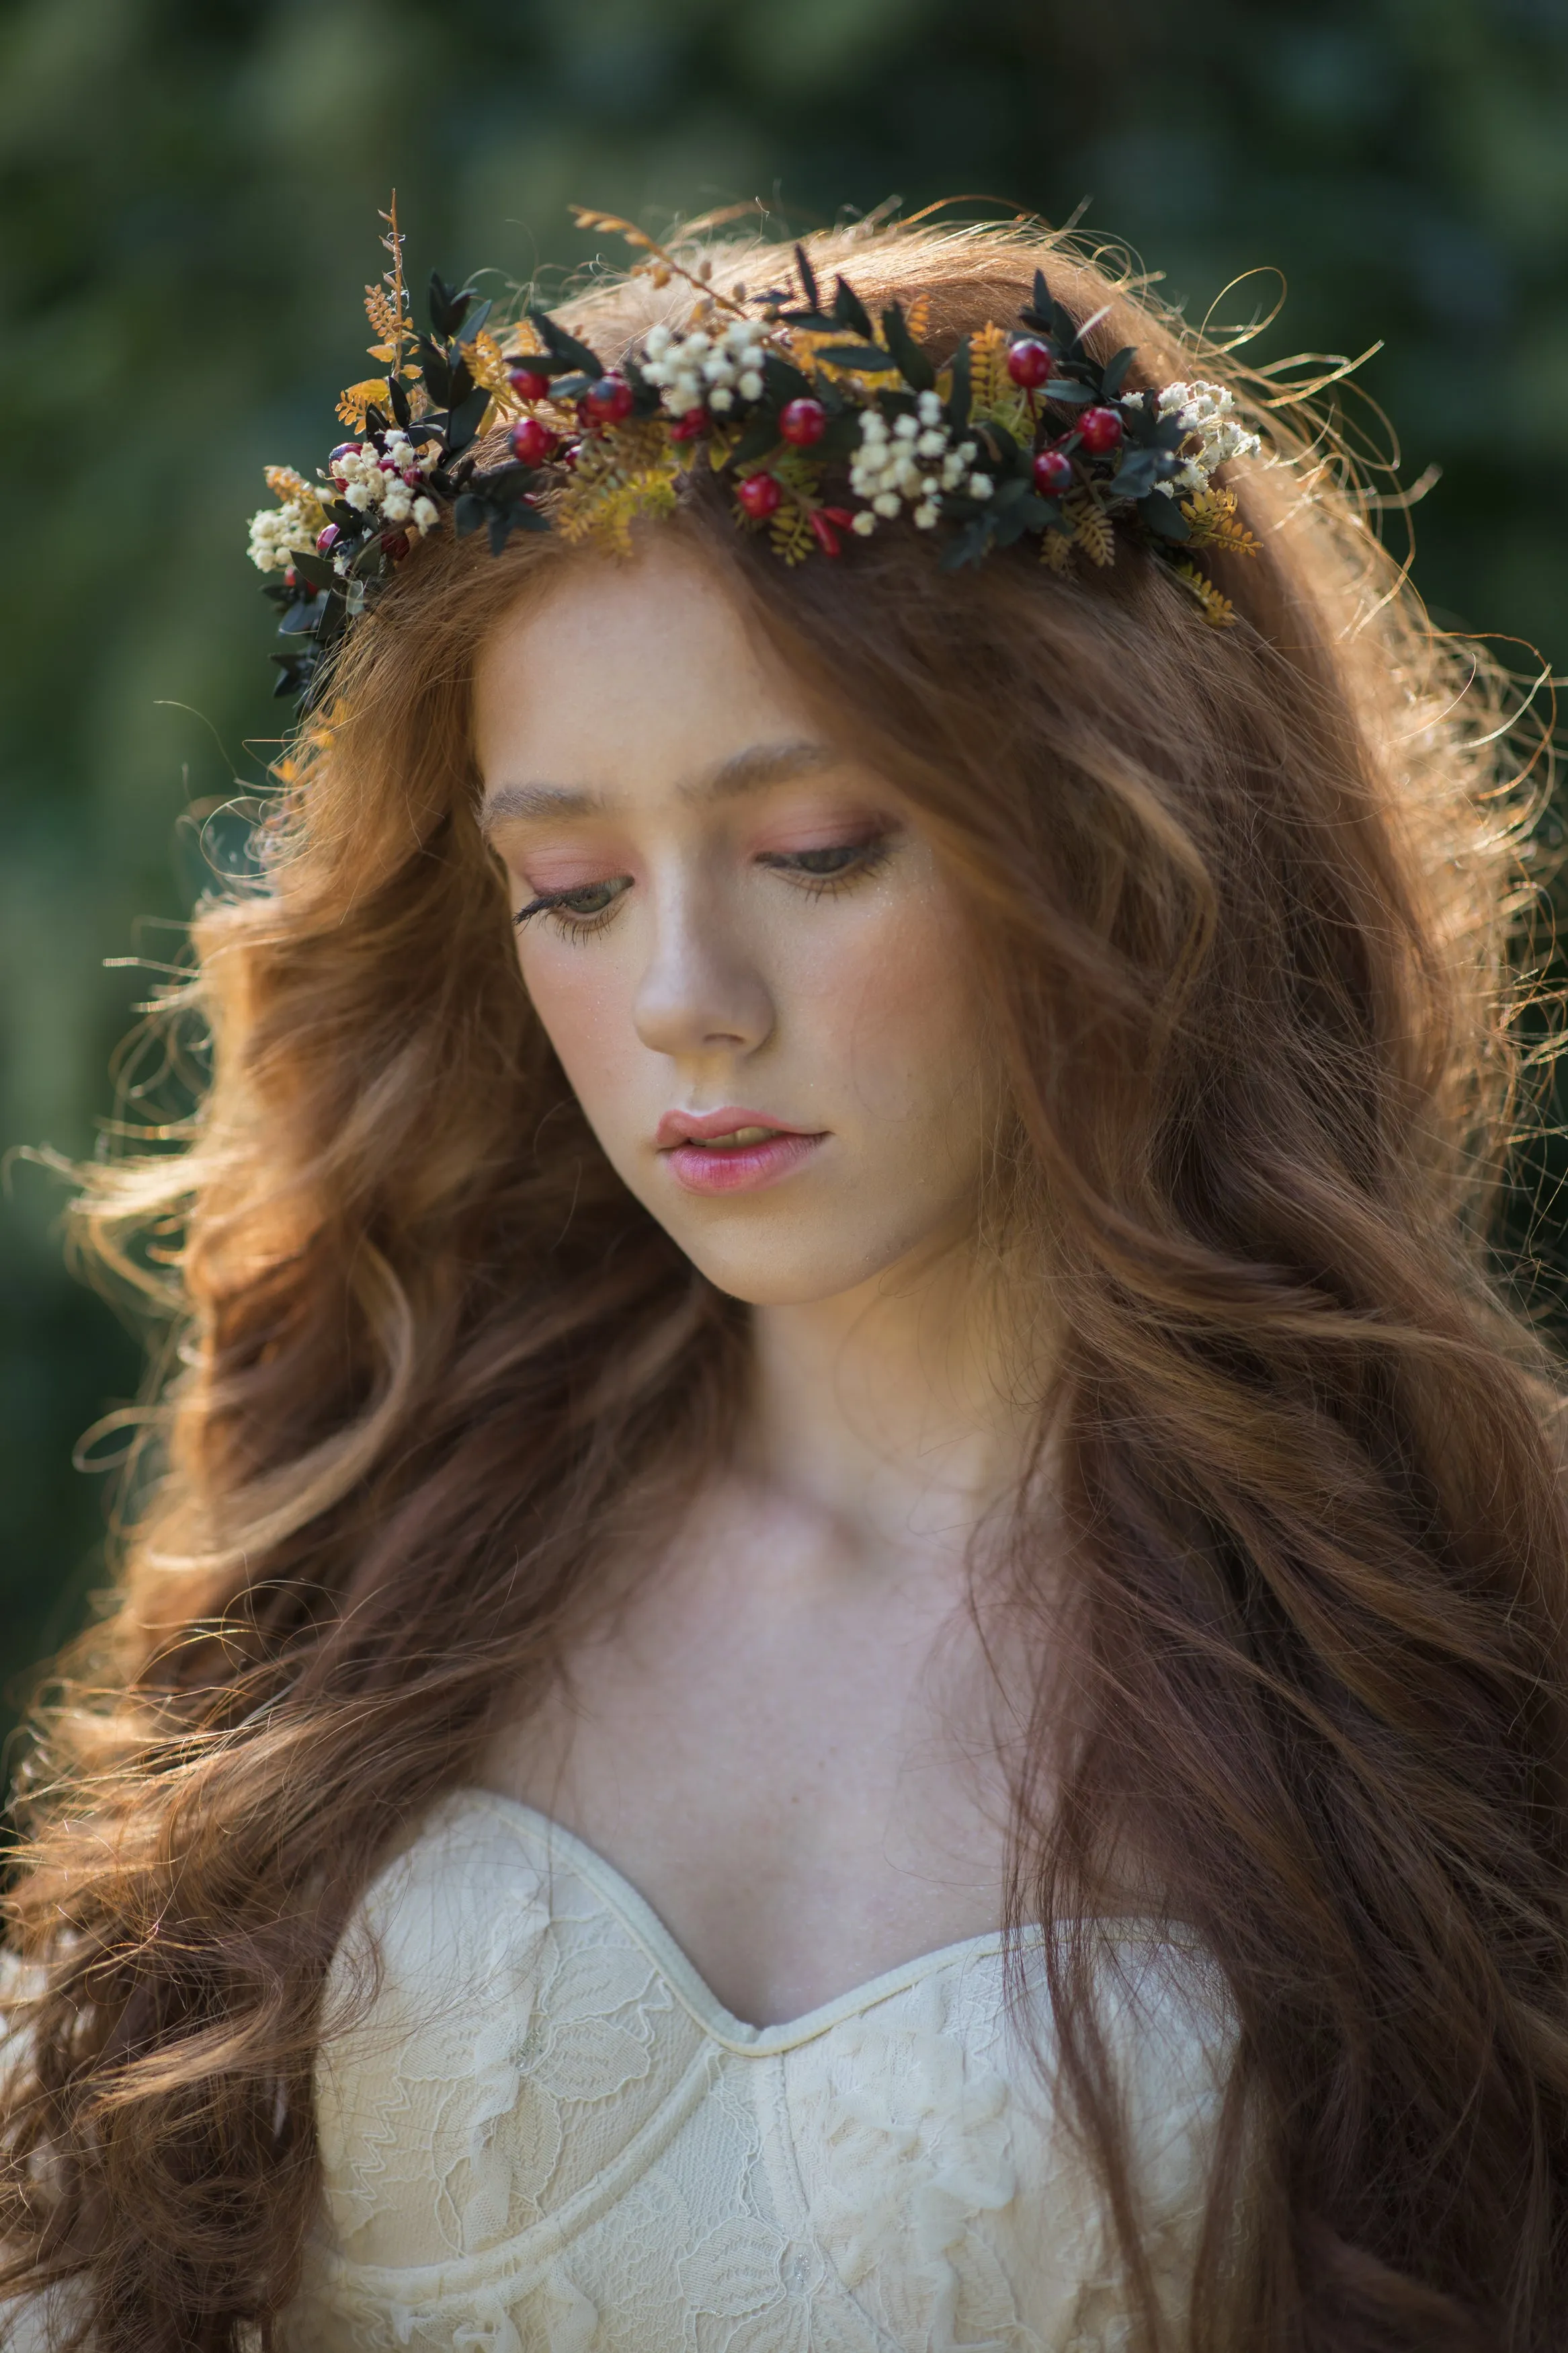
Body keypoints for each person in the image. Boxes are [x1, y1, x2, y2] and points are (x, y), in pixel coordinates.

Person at [3, 208, 1567, 2353]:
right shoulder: (381, 1522)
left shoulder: (1438, 1644)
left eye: (817, 850)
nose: (683, 1003)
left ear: (1126, 842)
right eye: (567, 887)